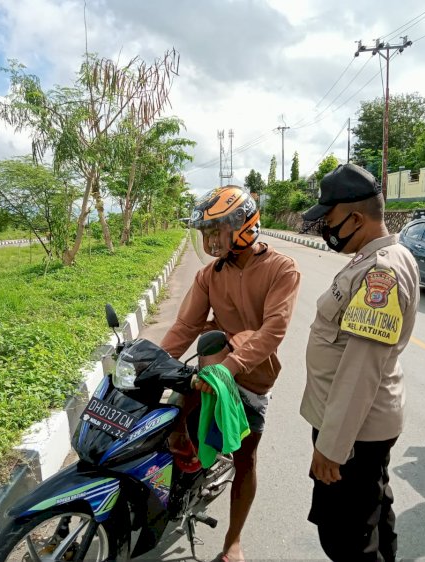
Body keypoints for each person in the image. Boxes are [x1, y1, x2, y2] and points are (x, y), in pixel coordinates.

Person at [160, 185, 301, 562]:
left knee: (246, 460)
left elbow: (273, 331)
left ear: (243, 225)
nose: (210, 240)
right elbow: (185, 327)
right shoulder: (209, 275)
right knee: (171, 418)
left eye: (216, 231)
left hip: (253, 377)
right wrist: (149, 360)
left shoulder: (281, 269)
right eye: (206, 233)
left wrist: (230, 367)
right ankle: (187, 454)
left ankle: (233, 541)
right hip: (213, 368)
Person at [298, 163, 419, 562]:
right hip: (360, 426)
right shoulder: (377, 257)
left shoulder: (380, 270)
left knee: (347, 537)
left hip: (352, 432)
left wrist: (332, 447)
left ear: (355, 217)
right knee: (373, 513)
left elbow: (361, 369)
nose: (325, 229)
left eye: (329, 220)